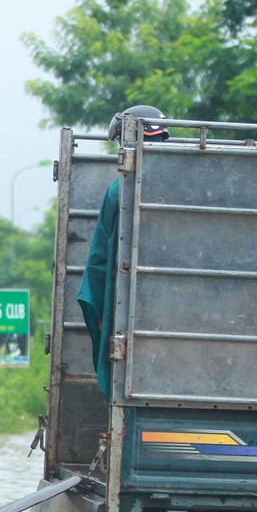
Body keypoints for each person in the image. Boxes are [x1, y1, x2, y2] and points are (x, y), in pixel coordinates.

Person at [77, 105, 171, 398]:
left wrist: (102, 313)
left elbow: (99, 261)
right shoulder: (192, 181)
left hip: (133, 319)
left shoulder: (119, 189)